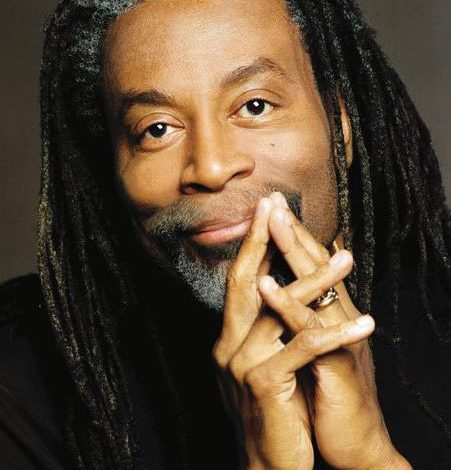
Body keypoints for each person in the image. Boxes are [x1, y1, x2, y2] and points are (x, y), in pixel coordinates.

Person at [0, 0, 450, 468]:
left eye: (255, 106)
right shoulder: (21, 380)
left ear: (341, 121)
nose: (211, 168)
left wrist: (371, 458)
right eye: (157, 129)